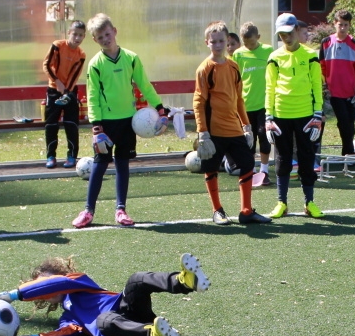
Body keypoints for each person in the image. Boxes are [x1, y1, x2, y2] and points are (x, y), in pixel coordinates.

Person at [0, 253, 210, 336]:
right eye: (38, 289)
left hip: (127, 307)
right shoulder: (68, 317)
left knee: (137, 280)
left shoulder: (78, 282)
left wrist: (14, 294)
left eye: (42, 285)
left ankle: (185, 281)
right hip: (123, 332)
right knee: (103, 322)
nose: (42, 291)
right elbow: (67, 333)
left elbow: (58, 284)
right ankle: (153, 332)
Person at [73, 13, 169, 228]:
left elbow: (145, 85)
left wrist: (161, 110)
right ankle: (88, 211)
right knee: (99, 165)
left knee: (123, 164)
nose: (105, 39)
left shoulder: (131, 58)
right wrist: (97, 127)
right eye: (100, 37)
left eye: (107, 34)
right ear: (95, 40)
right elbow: (93, 96)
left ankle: (121, 210)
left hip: (128, 122)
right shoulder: (96, 64)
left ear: (114, 31)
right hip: (106, 124)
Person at [192, 21, 272, 226]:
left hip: (234, 128)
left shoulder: (234, 66)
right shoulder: (204, 69)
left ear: (228, 41)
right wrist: (203, 132)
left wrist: (246, 125)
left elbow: (238, 99)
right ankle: (217, 211)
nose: (218, 45)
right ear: (207, 43)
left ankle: (246, 211)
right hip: (213, 131)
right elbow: (199, 101)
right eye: (214, 41)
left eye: (221, 41)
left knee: (246, 165)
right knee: (211, 169)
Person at [264, 13, 325, 219]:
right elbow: (269, 88)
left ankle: (309, 203)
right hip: (281, 115)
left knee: (307, 159)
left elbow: (317, 85)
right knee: (282, 159)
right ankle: (282, 203)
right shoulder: (274, 57)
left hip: (306, 115)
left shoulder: (311, 56)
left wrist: (318, 114)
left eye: (289, 33)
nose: (286, 38)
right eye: (281, 34)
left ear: (297, 30)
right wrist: (268, 117)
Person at [319, 9, 355, 156]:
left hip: (351, 92)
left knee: (349, 124)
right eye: (340, 25)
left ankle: (347, 154)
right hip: (334, 91)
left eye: (346, 25)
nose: (343, 28)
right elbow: (321, 67)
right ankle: (348, 154)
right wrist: (324, 86)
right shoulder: (326, 43)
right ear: (334, 24)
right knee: (344, 122)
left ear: (350, 25)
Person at [41, 21, 87, 169]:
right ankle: (51, 156)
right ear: (69, 33)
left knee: (71, 124)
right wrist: (57, 82)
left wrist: (67, 92)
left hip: (70, 91)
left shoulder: (81, 55)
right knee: (51, 124)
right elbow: (47, 65)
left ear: (84, 37)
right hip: (54, 90)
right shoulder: (57, 45)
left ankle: (72, 156)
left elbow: (75, 75)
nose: (77, 38)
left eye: (80, 35)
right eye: (75, 34)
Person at [233, 21, 274, 185]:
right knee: (249, 140)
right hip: (244, 105)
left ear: (258, 37)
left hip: (264, 104)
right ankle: (250, 171)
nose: (249, 46)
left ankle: (264, 171)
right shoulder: (238, 54)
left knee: (264, 135)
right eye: (246, 44)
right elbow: (235, 78)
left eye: (252, 43)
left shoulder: (268, 51)